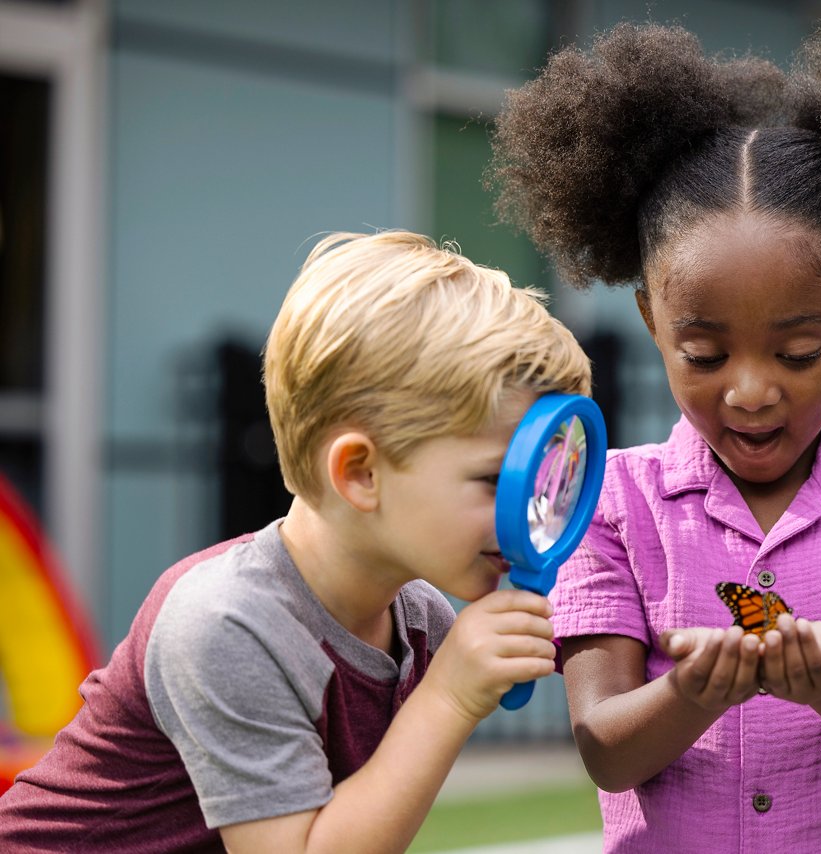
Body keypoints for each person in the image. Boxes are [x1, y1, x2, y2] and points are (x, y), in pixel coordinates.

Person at [489, 6, 821, 851]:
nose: (750, 392)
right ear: (650, 322)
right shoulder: (613, 502)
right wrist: (693, 694)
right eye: (704, 354)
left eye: (799, 351)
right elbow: (604, 747)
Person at [0, 231, 592, 853]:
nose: (524, 508)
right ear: (360, 473)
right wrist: (448, 697)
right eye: (497, 479)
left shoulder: (419, 622)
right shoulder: (227, 623)